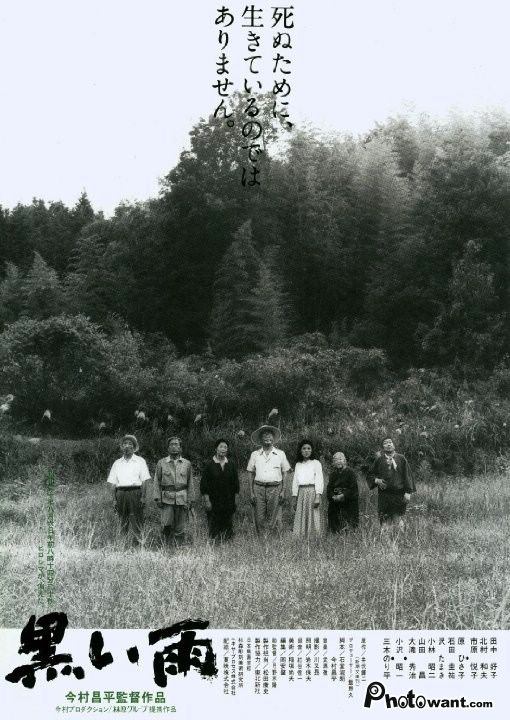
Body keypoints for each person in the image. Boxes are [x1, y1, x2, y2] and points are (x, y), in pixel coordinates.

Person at [106, 434, 150, 546]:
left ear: (134, 447)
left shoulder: (140, 461)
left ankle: (138, 544)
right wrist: (114, 499)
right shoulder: (117, 463)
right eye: (125, 443)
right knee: (122, 519)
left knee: (137, 519)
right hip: (120, 493)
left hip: (135, 492)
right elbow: (113, 483)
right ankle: (123, 544)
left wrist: (143, 497)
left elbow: (144, 480)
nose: (127, 446)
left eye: (130, 444)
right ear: (122, 446)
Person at [247, 425, 291, 535]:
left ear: (273, 438)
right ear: (260, 439)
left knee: (275, 516)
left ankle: (273, 539)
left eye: (270, 435)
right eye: (264, 435)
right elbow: (250, 473)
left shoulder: (280, 454)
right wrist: (251, 492)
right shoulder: (255, 454)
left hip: (275, 488)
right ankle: (261, 538)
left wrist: (283, 490)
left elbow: (285, 472)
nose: (267, 437)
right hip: (258, 488)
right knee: (259, 516)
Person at [153, 436, 194, 546]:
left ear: (180, 448)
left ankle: (178, 547)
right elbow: (156, 481)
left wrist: (190, 500)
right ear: (168, 448)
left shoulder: (187, 463)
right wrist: (157, 498)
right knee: (166, 524)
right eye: (171, 444)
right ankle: (166, 546)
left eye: (176, 444)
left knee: (180, 526)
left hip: (182, 498)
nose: (174, 446)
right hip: (167, 498)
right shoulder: (161, 463)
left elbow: (190, 482)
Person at [368, 437, 415, 526]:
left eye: (390, 442)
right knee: (384, 521)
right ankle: (385, 535)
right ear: (383, 447)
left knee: (398, 520)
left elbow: (408, 475)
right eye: (385, 443)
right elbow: (370, 475)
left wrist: (408, 492)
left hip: (398, 494)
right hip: (384, 495)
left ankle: (400, 535)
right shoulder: (379, 460)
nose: (388, 444)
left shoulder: (401, 458)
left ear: (393, 445)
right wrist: (376, 480)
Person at [200, 438, 239, 542]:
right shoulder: (209, 465)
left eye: (225, 447)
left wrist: (235, 500)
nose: (223, 449)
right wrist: (207, 501)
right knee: (214, 526)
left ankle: (227, 545)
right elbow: (204, 485)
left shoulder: (231, 464)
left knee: (227, 525)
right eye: (221, 447)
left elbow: (236, 484)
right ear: (216, 449)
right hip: (213, 502)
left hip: (228, 501)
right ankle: (215, 544)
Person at [292, 439, 324, 539]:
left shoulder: (316, 463)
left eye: (309, 448)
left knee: (313, 514)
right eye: (304, 448)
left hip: (313, 492)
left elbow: (319, 479)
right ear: (300, 450)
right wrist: (294, 497)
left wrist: (317, 496)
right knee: (301, 514)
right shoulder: (298, 464)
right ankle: (301, 536)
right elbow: (295, 481)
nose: (306, 451)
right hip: (301, 492)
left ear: (312, 450)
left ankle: (314, 537)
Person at [326, 451, 359, 532]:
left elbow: (353, 489)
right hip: (335, 500)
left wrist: (343, 495)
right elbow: (329, 488)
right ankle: (334, 531)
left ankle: (350, 530)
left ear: (344, 460)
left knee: (350, 523)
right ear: (333, 463)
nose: (338, 461)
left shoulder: (350, 473)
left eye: (340, 459)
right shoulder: (332, 475)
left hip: (348, 500)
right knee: (333, 511)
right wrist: (333, 496)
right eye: (336, 460)